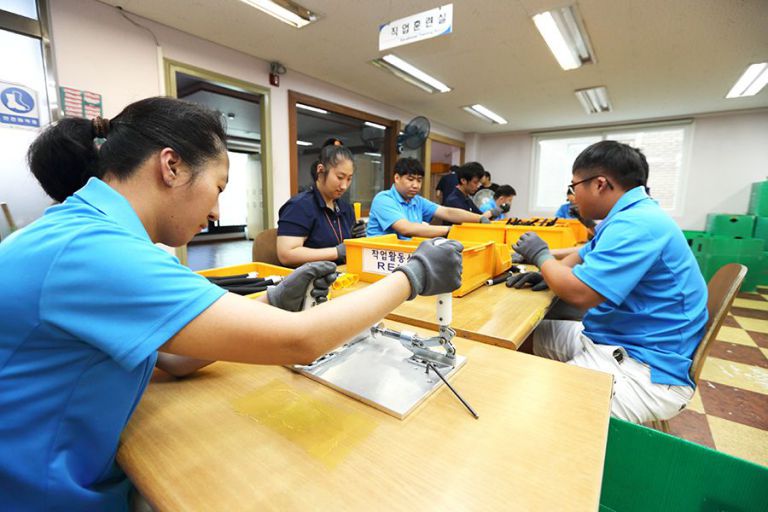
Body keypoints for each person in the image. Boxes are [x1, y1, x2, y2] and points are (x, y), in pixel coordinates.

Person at [0, 97, 464, 511]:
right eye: (219, 188)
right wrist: (413, 276)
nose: (217, 213)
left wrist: (272, 300)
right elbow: (302, 341)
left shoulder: (85, 230)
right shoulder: (97, 250)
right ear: (171, 166)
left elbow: (172, 360)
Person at [508, 140, 707, 424]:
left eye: (574, 186)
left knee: (527, 411)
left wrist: (541, 257)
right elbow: (581, 255)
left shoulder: (637, 224)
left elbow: (580, 294)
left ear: (600, 184)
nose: (573, 197)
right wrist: (550, 272)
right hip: (615, 339)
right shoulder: (629, 216)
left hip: (643, 369)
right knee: (518, 338)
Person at [277, 144, 366, 267]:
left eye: (349, 179)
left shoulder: (345, 208)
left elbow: (349, 251)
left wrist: (357, 239)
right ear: (320, 170)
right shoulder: (299, 206)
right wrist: (336, 252)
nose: (344, 186)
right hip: (311, 276)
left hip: (343, 273)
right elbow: (286, 254)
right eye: (340, 177)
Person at [367, 157, 492, 239]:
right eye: (410, 179)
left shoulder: (417, 201)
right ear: (397, 178)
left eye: (419, 180)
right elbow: (406, 228)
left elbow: (446, 211)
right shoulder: (383, 199)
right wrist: (450, 230)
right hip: (379, 259)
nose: (416, 185)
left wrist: (479, 218)